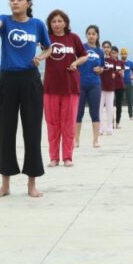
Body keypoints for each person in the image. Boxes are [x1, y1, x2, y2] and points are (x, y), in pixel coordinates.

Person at [0, 0, 52, 198]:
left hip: (30, 80)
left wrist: (41, 57)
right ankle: (5, 184)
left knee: (32, 132)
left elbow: (48, 47)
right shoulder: (5, 21)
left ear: (28, 3)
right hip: (8, 80)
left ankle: (32, 183)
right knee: (6, 132)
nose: (15, 2)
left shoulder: (37, 25)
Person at [43, 9, 88, 167]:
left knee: (68, 124)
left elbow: (84, 55)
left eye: (60, 21)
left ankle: (67, 157)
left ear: (66, 23)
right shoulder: (47, 38)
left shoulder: (73, 38)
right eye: (53, 21)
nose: (56, 24)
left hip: (70, 87)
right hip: (50, 87)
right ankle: (54, 157)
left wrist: (76, 63)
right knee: (52, 124)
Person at [75, 25, 104, 149]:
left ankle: (96, 140)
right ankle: (76, 140)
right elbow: (75, 63)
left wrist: (100, 70)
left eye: (93, 34)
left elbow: (102, 67)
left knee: (95, 112)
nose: (91, 36)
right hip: (80, 84)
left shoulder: (100, 52)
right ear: (86, 35)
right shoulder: (81, 48)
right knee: (78, 113)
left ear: (97, 36)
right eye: (89, 33)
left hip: (94, 85)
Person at [98, 40, 117, 136]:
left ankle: (109, 127)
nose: (106, 49)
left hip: (110, 88)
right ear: (102, 48)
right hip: (100, 88)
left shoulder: (113, 61)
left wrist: (114, 74)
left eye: (108, 47)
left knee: (110, 109)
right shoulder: (99, 59)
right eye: (104, 47)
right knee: (99, 109)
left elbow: (115, 72)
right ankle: (100, 128)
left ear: (110, 49)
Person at [111, 46, 126, 129]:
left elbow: (122, 74)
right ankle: (111, 122)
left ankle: (117, 122)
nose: (114, 54)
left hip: (120, 85)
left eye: (115, 53)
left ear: (117, 53)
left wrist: (120, 73)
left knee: (119, 105)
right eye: (112, 53)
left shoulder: (121, 62)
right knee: (110, 106)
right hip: (111, 86)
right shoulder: (109, 62)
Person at [121, 47, 133, 120]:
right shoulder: (118, 62)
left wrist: (132, 76)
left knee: (129, 99)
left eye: (125, 54)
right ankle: (118, 116)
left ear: (127, 54)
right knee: (119, 100)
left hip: (128, 83)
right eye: (122, 54)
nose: (124, 55)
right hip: (120, 83)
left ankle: (131, 115)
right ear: (120, 54)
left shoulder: (130, 63)